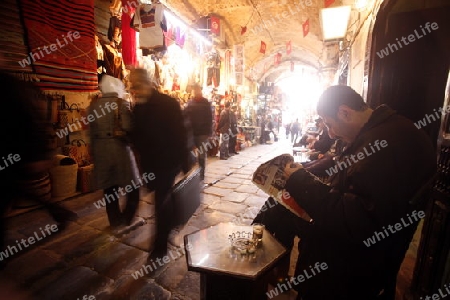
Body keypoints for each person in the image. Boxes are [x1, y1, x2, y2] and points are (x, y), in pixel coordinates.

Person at [279, 85, 436, 299]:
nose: (331, 134)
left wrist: (300, 181)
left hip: (346, 277)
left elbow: (355, 219)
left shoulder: (385, 144)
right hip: (365, 266)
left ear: (345, 112)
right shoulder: (388, 130)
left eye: (330, 125)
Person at [129, 69, 191, 266]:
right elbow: (137, 137)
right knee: (162, 201)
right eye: (133, 86)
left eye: (137, 85)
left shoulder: (168, 103)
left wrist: (185, 161)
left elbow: (181, 134)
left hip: (167, 162)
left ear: (147, 83)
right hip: (150, 165)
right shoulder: (138, 108)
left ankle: (160, 248)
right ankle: (171, 223)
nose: (135, 89)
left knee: (160, 204)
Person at [89, 75, 140, 228]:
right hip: (120, 151)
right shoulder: (121, 104)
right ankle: (126, 220)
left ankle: (114, 222)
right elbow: (128, 127)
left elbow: (90, 134)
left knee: (110, 188)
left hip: (101, 151)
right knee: (133, 187)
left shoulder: (93, 106)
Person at [184, 83, 213, 180]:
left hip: (203, 134)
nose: (196, 91)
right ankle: (188, 174)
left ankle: (201, 174)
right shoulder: (190, 103)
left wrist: (209, 132)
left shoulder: (205, 103)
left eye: (197, 90)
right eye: (195, 90)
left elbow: (210, 118)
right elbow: (186, 117)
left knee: (201, 155)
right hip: (192, 133)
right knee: (189, 154)